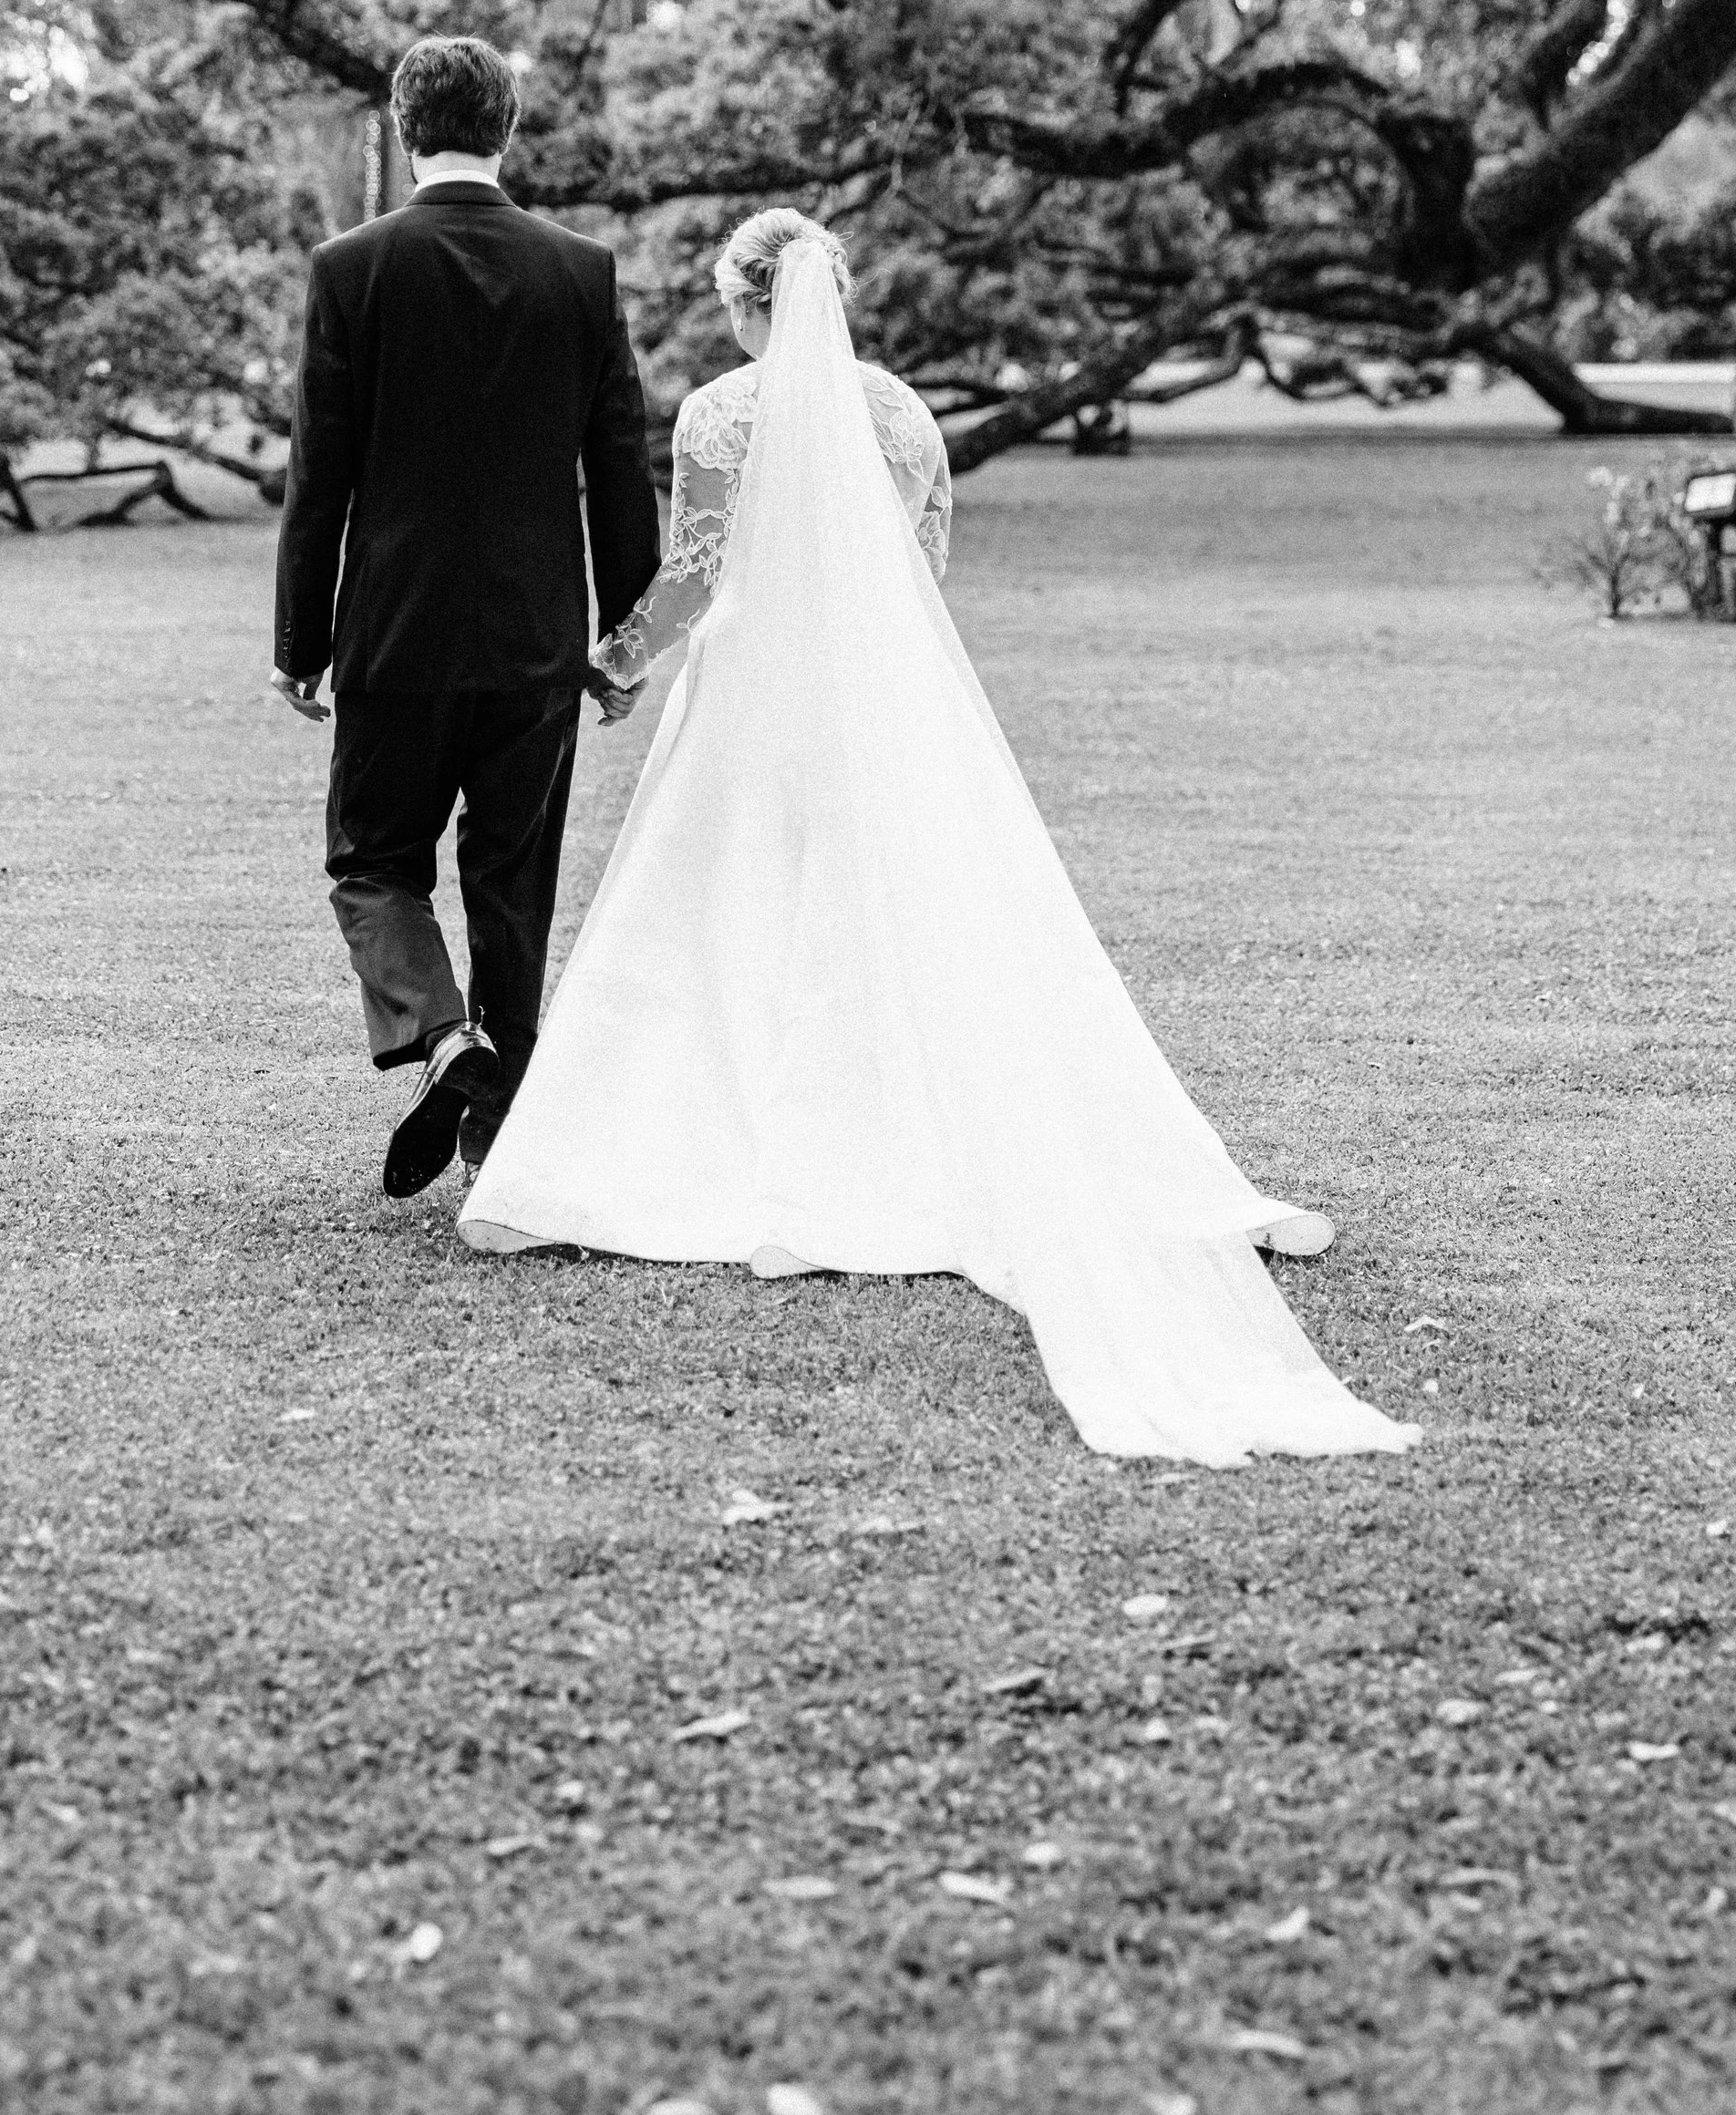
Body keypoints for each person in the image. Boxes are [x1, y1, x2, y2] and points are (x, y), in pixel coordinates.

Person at [459, 207, 1415, 1470]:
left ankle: (730, 1139)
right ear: (836, 296)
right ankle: (878, 1116)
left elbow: (692, 572)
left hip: (751, 695)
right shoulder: (905, 415)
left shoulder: (717, 417)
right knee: (880, 908)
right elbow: (921, 569)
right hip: (878, 702)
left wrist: (618, 659)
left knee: (723, 914)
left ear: (752, 307)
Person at [270, 35, 660, 1198]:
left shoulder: (352, 268)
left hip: (391, 631)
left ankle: (444, 1039)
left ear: (402, 127)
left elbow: (318, 474)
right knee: (513, 878)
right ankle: (501, 1133)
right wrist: (621, 639)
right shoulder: (578, 270)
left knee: (373, 860)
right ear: (510, 127)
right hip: (536, 638)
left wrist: (299, 642)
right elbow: (618, 463)